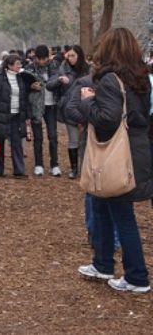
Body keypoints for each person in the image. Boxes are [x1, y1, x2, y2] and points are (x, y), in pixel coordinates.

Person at [76, 27, 151, 293]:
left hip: (118, 156)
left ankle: (137, 276)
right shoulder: (142, 79)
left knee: (121, 214)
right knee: (102, 205)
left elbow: (107, 119)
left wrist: (87, 103)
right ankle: (102, 263)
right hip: (138, 151)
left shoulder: (110, 80)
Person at [47, 45, 90, 179]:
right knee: (73, 139)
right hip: (69, 108)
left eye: (73, 56)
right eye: (69, 55)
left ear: (79, 56)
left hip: (86, 107)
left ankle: (86, 168)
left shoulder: (88, 69)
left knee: (87, 140)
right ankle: (74, 169)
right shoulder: (63, 68)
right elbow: (49, 85)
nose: (70, 58)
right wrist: (59, 80)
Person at [0, 54, 29, 177]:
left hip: (16, 116)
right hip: (1, 115)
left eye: (20, 64)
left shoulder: (21, 79)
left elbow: (24, 98)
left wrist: (26, 116)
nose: (19, 66)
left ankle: (19, 170)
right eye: (17, 64)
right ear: (9, 65)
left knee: (17, 143)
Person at [25, 45, 62, 177]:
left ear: (48, 57)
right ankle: (39, 164)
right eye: (39, 59)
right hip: (36, 106)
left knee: (53, 136)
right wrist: (31, 86)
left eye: (44, 59)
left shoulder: (55, 66)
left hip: (51, 105)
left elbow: (59, 82)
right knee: (38, 137)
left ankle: (55, 165)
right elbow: (24, 85)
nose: (42, 61)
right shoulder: (30, 68)